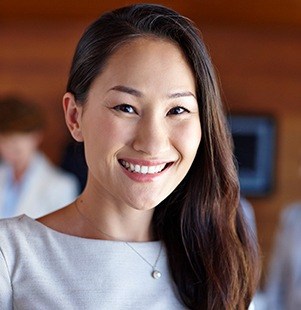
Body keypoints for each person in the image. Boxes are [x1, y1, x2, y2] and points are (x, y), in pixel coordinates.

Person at [0, 4, 260, 309]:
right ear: (74, 117)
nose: (152, 143)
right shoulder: (11, 255)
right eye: (126, 107)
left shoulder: (220, 264)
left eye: (177, 110)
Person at [0, 96, 79, 218]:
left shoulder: (61, 186)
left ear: (36, 137)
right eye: (4, 143)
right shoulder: (3, 174)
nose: (9, 152)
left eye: (16, 148)